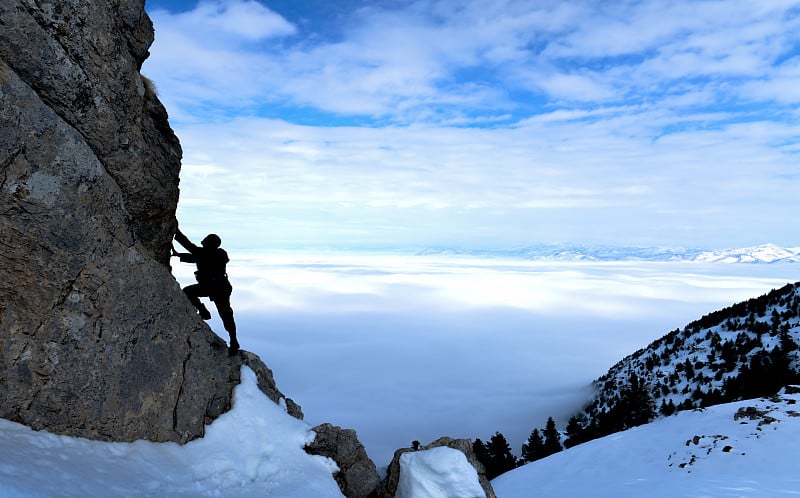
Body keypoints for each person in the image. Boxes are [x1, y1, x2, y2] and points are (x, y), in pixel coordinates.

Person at [172, 226, 239, 354]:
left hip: (210, 287)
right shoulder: (221, 254)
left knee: (188, 291)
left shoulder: (202, 253)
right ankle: (234, 341)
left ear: (207, 243)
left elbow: (189, 246)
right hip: (222, 287)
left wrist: (177, 232)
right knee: (226, 315)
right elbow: (199, 258)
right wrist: (179, 255)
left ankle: (203, 311)